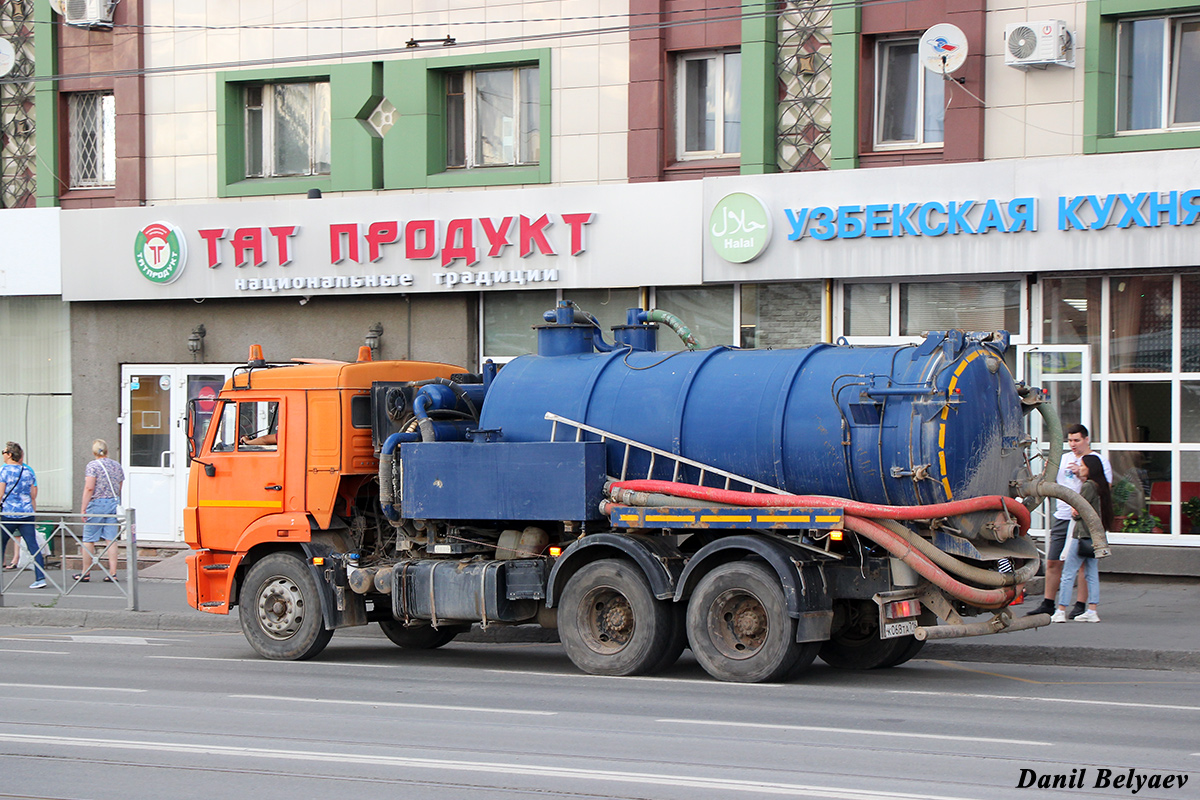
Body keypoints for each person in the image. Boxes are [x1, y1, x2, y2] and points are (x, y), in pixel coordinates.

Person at [1025, 424, 1111, 619]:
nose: (1072, 444)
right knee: (1054, 561)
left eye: (1077, 440)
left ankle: (1077, 606)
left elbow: (1102, 489)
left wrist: (1081, 476)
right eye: (1070, 440)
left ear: (1087, 439)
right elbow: (1051, 483)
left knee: (1080, 565)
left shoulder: (1096, 461)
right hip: (1063, 516)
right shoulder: (1063, 459)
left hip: (1082, 521)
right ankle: (1049, 603)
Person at [1051, 453, 1113, 623]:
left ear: (1090, 468)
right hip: (1096, 537)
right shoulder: (1102, 486)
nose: (1080, 468)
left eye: (1083, 466)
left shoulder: (1088, 486)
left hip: (1082, 535)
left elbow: (1078, 511)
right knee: (1092, 574)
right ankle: (1092, 610)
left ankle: (1061, 610)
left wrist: (1074, 512)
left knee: (1068, 573)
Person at [76, 438, 125, 583]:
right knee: (111, 539)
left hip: (97, 504)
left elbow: (89, 487)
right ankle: (113, 572)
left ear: (94, 451)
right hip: (112, 503)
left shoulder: (92, 466)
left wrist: (83, 508)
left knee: (89, 539)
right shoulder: (116, 465)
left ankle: (86, 572)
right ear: (107, 450)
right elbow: (120, 484)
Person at [0, 442, 46, 589]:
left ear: (10, 454)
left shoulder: (3, 471)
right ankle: (40, 578)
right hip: (26, 513)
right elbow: (33, 494)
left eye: (4, 451)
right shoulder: (27, 471)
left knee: (1, 544)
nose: (2, 454)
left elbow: (0, 494)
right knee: (33, 545)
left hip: (9, 513)